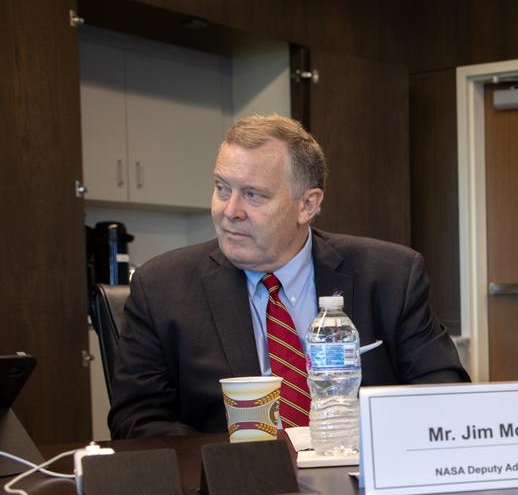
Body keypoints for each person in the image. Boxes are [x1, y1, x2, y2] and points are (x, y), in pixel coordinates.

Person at [108, 114, 468, 438]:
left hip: (356, 484)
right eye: (222, 189)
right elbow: (137, 421)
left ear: (307, 205)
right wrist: (233, 464)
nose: (229, 211)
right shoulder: (161, 288)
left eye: (252, 195)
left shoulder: (390, 275)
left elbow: (442, 394)